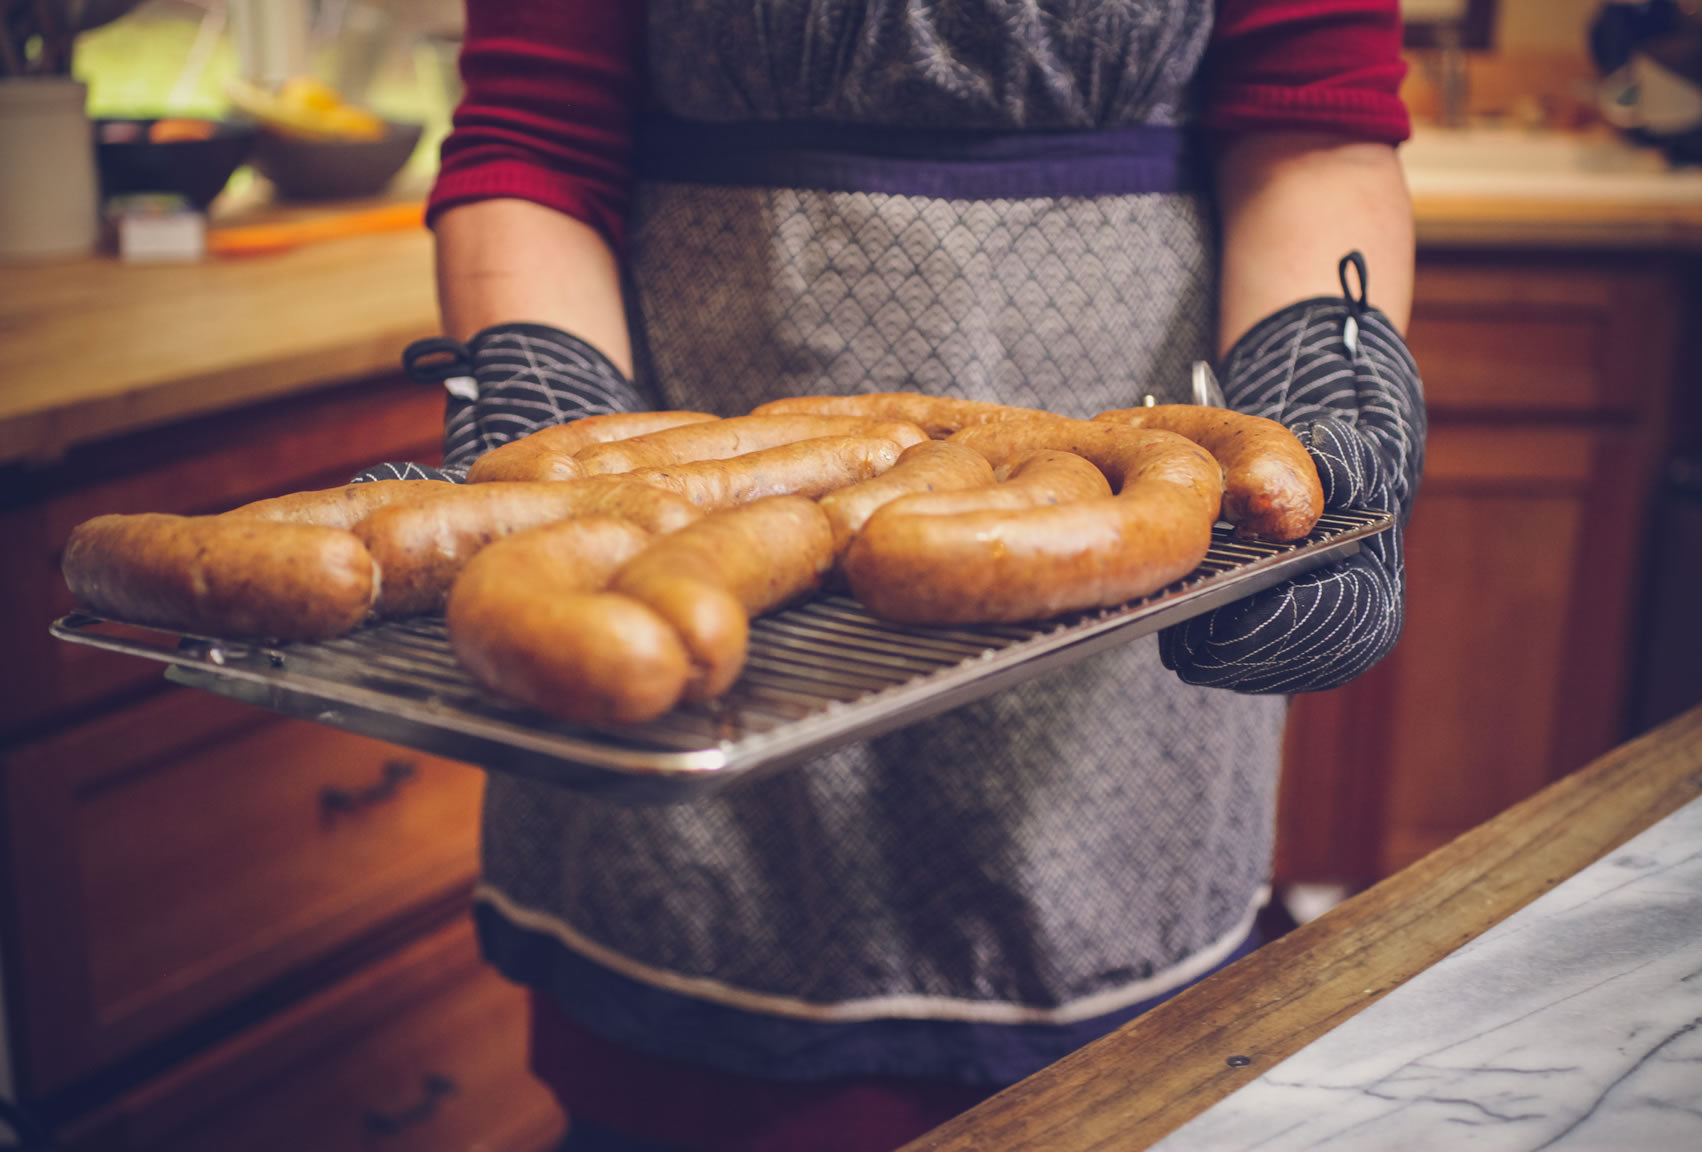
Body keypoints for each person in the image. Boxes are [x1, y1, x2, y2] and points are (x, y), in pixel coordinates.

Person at [361, 2, 1427, 1148]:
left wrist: (1324, 430)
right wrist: (556, 442)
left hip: (1124, 637)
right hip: (687, 630)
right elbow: (536, 136)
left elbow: (1313, 131)